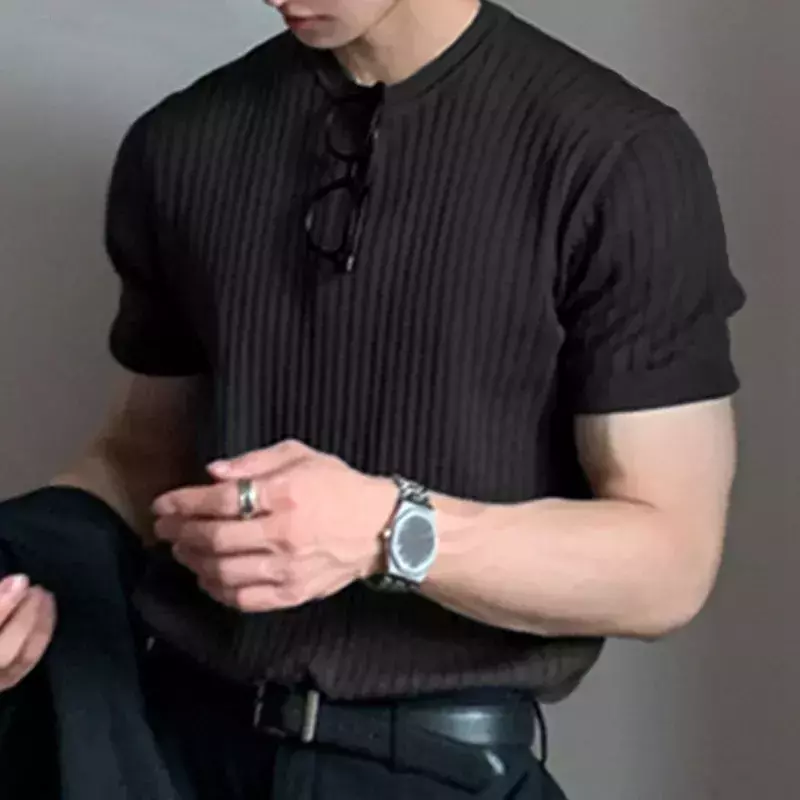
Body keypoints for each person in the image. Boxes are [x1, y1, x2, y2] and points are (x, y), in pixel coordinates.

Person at [0, 0, 745, 797]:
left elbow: (669, 565)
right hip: (173, 754)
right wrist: (17, 563)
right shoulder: (178, 142)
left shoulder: (618, 154)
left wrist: (388, 532)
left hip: (433, 770)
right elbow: (141, 462)